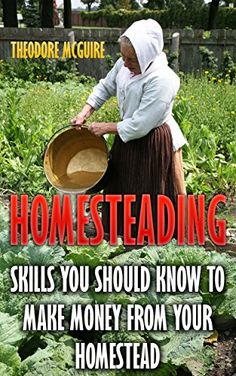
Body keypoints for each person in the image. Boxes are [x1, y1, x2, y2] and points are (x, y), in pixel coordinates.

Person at [71, 19, 186, 240]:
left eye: (131, 59)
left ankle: (149, 239)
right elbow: (105, 86)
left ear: (146, 56)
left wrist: (106, 127)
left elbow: (142, 124)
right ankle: (120, 232)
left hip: (151, 139)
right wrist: (85, 112)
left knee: (146, 188)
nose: (124, 63)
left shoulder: (163, 79)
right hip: (125, 133)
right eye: (123, 56)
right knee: (122, 183)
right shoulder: (124, 65)